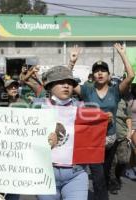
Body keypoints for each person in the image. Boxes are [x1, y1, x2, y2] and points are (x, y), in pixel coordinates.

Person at [69, 43, 135, 200]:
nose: (100, 73)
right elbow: (68, 81)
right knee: (98, 176)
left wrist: (122, 54)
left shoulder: (115, 90)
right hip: (92, 140)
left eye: (103, 71)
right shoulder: (87, 90)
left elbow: (131, 76)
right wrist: (72, 62)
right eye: (96, 71)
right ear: (92, 75)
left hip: (110, 140)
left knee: (105, 175)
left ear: (109, 75)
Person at [34, 65, 89, 200]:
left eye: (70, 83)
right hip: (45, 172)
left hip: (76, 173)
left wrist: (104, 121)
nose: (66, 86)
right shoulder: (37, 107)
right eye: (61, 82)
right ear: (50, 86)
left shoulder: (83, 109)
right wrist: (43, 141)